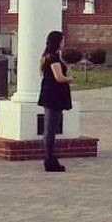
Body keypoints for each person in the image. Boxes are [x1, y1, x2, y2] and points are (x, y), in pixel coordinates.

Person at [37, 30, 73, 173]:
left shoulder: (47, 56)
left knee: (50, 128)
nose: (64, 43)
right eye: (62, 40)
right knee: (50, 130)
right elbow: (59, 77)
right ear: (57, 41)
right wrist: (69, 78)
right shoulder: (53, 58)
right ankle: (50, 160)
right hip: (53, 96)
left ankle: (49, 158)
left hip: (50, 95)